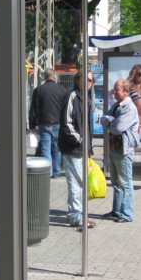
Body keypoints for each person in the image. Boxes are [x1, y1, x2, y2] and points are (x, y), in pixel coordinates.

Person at [58, 71, 96, 230]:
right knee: (77, 184)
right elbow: (67, 124)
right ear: (78, 80)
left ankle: (74, 214)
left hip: (80, 148)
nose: (89, 82)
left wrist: (88, 147)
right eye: (86, 79)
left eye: (91, 80)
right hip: (73, 148)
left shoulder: (85, 98)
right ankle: (77, 217)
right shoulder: (72, 96)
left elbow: (86, 125)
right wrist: (80, 141)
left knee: (78, 183)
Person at [100, 79, 140, 223]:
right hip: (114, 148)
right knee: (116, 182)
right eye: (114, 89)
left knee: (125, 183)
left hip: (124, 151)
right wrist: (111, 121)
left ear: (126, 92)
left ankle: (127, 214)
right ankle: (117, 211)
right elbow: (103, 119)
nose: (114, 92)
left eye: (117, 89)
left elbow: (118, 128)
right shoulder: (117, 105)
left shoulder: (129, 108)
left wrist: (110, 122)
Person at [28, 69, 69, 178]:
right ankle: (56, 172)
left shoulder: (39, 90)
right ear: (54, 76)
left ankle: (48, 172)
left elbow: (33, 109)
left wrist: (32, 125)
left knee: (46, 148)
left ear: (44, 77)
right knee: (57, 148)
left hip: (44, 123)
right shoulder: (62, 90)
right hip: (58, 123)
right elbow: (66, 109)